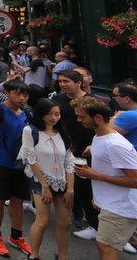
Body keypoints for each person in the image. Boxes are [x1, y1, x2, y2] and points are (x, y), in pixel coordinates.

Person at [73, 96, 137, 260]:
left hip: (121, 207)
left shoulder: (115, 144)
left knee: (105, 246)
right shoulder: (98, 137)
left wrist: (95, 175)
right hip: (112, 204)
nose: (78, 120)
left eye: (82, 117)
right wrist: (99, 198)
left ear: (98, 118)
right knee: (105, 245)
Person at [18, 99, 75, 260]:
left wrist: (70, 188)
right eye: (49, 114)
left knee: (65, 222)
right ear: (41, 114)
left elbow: (69, 161)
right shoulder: (31, 130)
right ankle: (34, 255)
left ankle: (63, 256)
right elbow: (30, 157)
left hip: (62, 181)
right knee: (42, 221)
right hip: (40, 180)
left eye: (57, 114)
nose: (53, 117)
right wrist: (44, 185)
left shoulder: (62, 133)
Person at [0, 79, 33, 257]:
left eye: (25, 95)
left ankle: (16, 236)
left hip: (22, 166)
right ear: (7, 92)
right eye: (17, 93)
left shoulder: (27, 112)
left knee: (18, 200)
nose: (21, 98)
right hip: (1, 162)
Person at [51, 70, 99, 241]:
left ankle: (101, 227)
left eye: (66, 81)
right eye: (60, 81)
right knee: (79, 187)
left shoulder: (93, 101)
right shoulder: (57, 100)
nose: (62, 84)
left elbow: (105, 124)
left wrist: (95, 144)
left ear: (79, 83)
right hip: (70, 150)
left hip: (92, 150)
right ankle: (87, 220)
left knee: (93, 188)